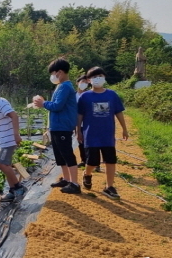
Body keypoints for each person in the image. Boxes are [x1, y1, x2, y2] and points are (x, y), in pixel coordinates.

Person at [77, 66, 129, 199]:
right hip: (91, 135)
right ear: (89, 80)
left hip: (107, 134)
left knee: (110, 160)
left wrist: (124, 128)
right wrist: (78, 131)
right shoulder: (85, 97)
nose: (97, 78)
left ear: (105, 78)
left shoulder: (112, 95)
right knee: (92, 162)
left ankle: (109, 186)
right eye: (94, 77)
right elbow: (80, 115)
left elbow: (118, 112)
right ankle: (87, 174)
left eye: (100, 76)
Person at [33, 58, 81, 194]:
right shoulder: (61, 86)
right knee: (59, 155)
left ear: (59, 72)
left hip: (62, 126)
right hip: (56, 126)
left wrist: (43, 103)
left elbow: (58, 106)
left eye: (53, 73)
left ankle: (74, 184)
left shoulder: (66, 86)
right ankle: (66, 179)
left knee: (67, 154)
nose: (52, 77)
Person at [75, 75, 89, 168]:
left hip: (87, 122)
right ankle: (84, 160)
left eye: (86, 83)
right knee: (80, 141)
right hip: (76, 122)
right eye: (82, 82)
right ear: (77, 83)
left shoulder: (88, 95)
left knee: (89, 142)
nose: (84, 84)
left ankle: (92, 162)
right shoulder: (73, 96)